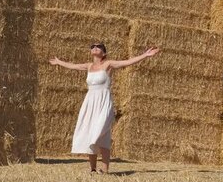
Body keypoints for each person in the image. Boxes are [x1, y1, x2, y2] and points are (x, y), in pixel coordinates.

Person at [49, 43, 160, 173]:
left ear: (104, 53)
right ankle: (93, 169)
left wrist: (145, 55)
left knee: (101, 133)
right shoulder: (89, 66)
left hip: (104, 102)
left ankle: (105, 168)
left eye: (99, 46)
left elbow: (127, 62)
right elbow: (73, 66)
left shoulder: (108, 64)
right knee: (90, 133)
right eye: (92, 46)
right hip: (90, 103)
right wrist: (58, 62)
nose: (95, 47)